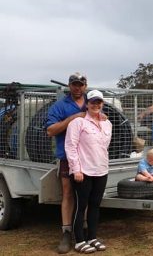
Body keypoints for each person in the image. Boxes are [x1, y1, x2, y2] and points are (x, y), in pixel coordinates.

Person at [46, 72, 89, 254]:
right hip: (67, 156)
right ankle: (66, 232)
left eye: (80, 84)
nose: (77, 87)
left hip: (88, 157)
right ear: (69, 86)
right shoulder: (59, 106)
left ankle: (85, 231)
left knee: (86, 193)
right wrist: (72, 118)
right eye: (74, 84)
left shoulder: (92, 102)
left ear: (85, 86)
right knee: (68, 193)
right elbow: (50, 130)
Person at [64, 90, 111, 253]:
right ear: (87, 104)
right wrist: (76, 169)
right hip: (82, 172)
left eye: (99, 102)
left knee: (95, 206)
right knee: (80, 206)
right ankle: (79, 240)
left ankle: (92, 237)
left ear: (102, 104)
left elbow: (104, 146)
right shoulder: (78, 123)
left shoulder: (107, 124)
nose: (96, 105)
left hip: (101, 170)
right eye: (92, 102)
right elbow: (70, 146)